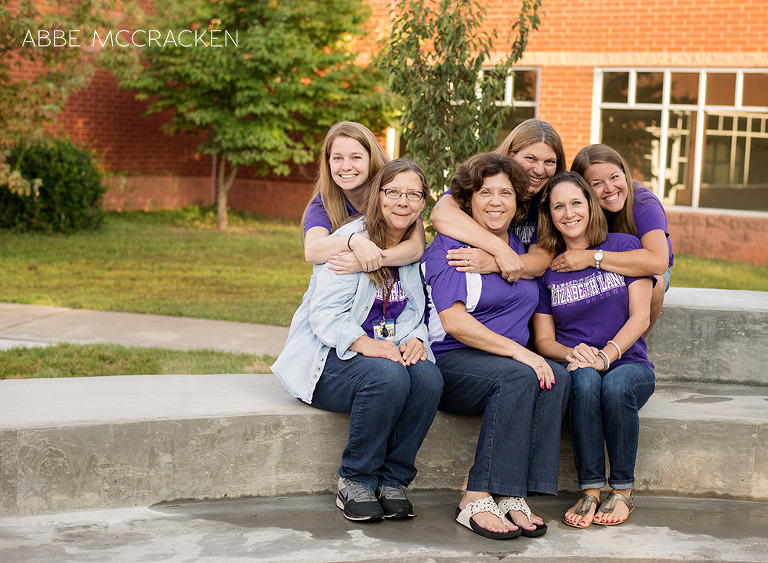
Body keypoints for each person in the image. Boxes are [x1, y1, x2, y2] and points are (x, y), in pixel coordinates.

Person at [272, 159, 442, 523]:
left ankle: (392, 481)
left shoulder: (412, 247)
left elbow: (415, 311)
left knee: (428, 377)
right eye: (393, 192)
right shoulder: (351, 242)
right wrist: (365, 344)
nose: (403, 202)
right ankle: (355, 480)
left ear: (423, 204)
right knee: (388, 376)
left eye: (413, 195)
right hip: (328, 357)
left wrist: (415, 340)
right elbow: (324, 316)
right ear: (377, 196)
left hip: (383, 353)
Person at [421, 152, 570, 540]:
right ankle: (475, 495)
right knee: (520, 377)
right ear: (468, 199)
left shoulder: (518, 254)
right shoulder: (452, 248)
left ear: (520, 201)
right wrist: (521, 352)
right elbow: (453, 322)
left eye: (506, 193)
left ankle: (512, 493)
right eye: (485, 192)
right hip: (452, 362)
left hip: (502, 363)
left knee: (557, 377)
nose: (495, 201)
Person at [532, 171, 655, 529]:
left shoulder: (624, 246)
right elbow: (543, 340)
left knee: (615, 387)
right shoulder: (549, 269)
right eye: (558, 206)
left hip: (629, 362)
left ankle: (622, 490)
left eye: (575, 203)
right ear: (550, 215)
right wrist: (574, 354)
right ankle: (590, 489)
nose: (568, 213)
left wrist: (606, 356)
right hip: (581, 361)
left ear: (590, 204)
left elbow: (640, 317)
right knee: (584, 382)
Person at [552, 144, 674, 337]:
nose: (609, 188)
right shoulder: (577, 207)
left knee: (656, 283)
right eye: (597, 183)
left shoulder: (643, 204)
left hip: (643, 264)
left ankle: (634, 348)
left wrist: (591, 258)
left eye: (615, 177)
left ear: (625, 173)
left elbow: (657, 262)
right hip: (599, 260)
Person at [429, 118, 566, 282]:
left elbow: (541, 260)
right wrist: (500, 249)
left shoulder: (553, 198)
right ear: (511, 154)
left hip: (519, 289)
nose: (539, 170)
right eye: (530, 158)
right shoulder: (487, 174)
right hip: (467, 278)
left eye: (549, 162)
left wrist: (494, 263)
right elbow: (441, 213)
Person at [301, 121, 426, 273]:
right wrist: (353, 241)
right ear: (328, 162)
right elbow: (312, 251)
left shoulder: (391, 188)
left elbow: (417, 247)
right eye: (337, 158)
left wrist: (368, 260)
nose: (346, 166)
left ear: (371, 158)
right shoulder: (324, 201)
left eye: (356, 157)